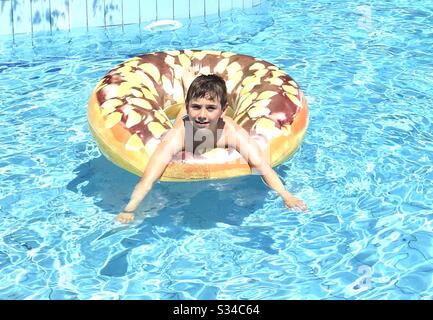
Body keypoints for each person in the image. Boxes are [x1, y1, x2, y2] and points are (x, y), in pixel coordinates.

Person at [116, 74, 307, 223]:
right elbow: (148, 179)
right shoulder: (179, 135)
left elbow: (262, 166)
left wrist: (286, 196)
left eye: (210, 108)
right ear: (188, 107)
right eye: (196, 107)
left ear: (224, 111)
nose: (201, 115)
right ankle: (186, 84)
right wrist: (129, 209)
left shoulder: (231, 132)